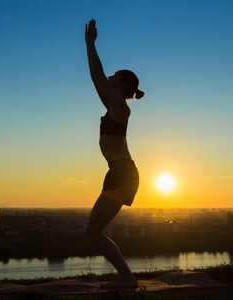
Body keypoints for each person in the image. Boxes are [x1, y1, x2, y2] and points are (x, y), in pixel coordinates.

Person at [84, 19, 144, 289]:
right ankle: (126, 278)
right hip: (119, 173)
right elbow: (97, 79)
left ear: (120, 85)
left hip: (122, 174)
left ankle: (127, 279)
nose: (108, 78)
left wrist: (89, 43)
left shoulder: (120, 106)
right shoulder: (116, 104)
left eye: (113, 76)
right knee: (92, 232)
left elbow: (97, 76)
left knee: (91, 232)